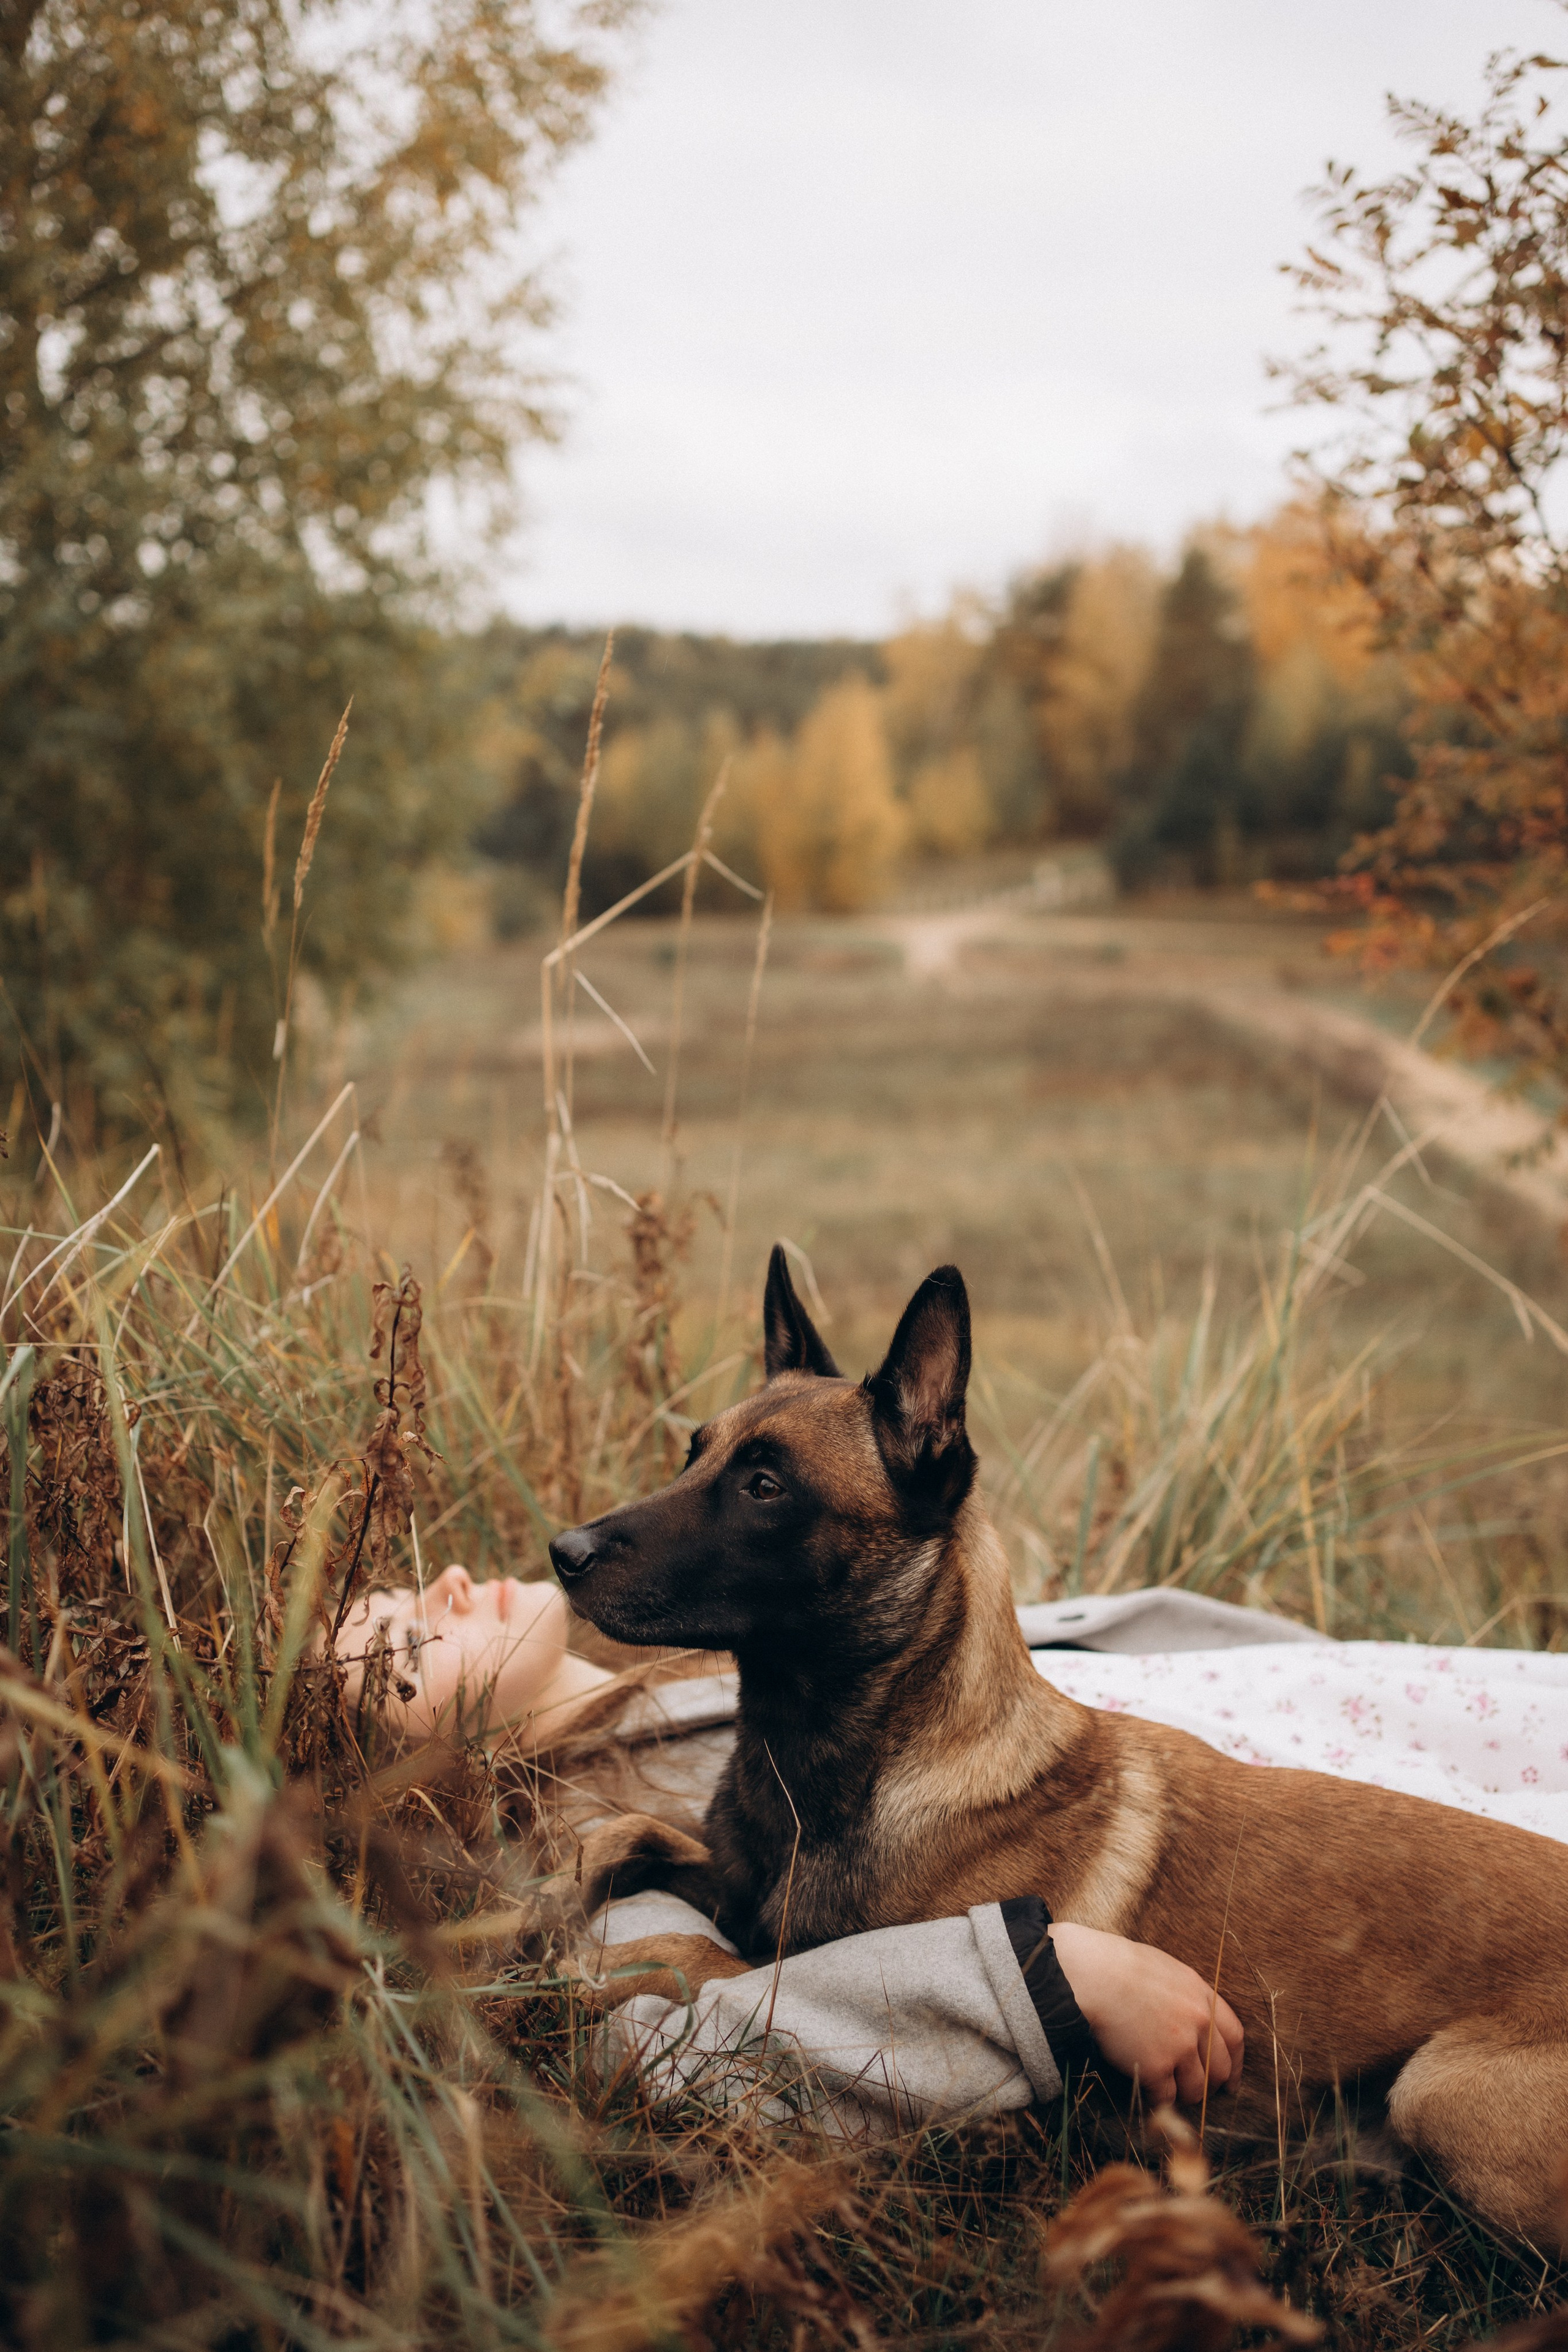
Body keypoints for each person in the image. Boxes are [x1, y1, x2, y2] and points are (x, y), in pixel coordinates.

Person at [332, 1566, 1247, 2120]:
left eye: (409, 1593)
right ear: (419, 1781)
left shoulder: (674, 1627)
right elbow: (664, 2057)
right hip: (1234, 1878)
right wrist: (1034, 1980)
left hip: (1252, 1715)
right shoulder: (595, 1828)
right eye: (412, 1646)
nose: (448, 1586)